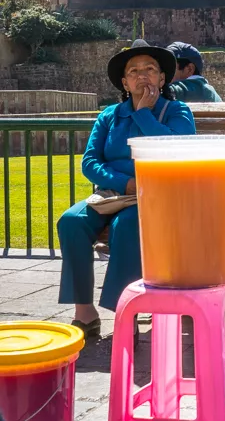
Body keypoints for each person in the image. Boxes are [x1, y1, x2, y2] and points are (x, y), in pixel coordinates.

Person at [57, 41, 196, 338]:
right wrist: (126, 182)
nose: (141, 75)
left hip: (157, 196)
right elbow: (91, 162)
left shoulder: (177, 111)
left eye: (150, 69)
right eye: (133, 71)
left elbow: (177, 151)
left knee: (128, 224)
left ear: (162, 78)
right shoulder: (110, 115)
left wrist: (144, 114)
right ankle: (85, 313)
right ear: (124, 82)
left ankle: (125, 312)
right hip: (113, 194)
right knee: (71, 221)